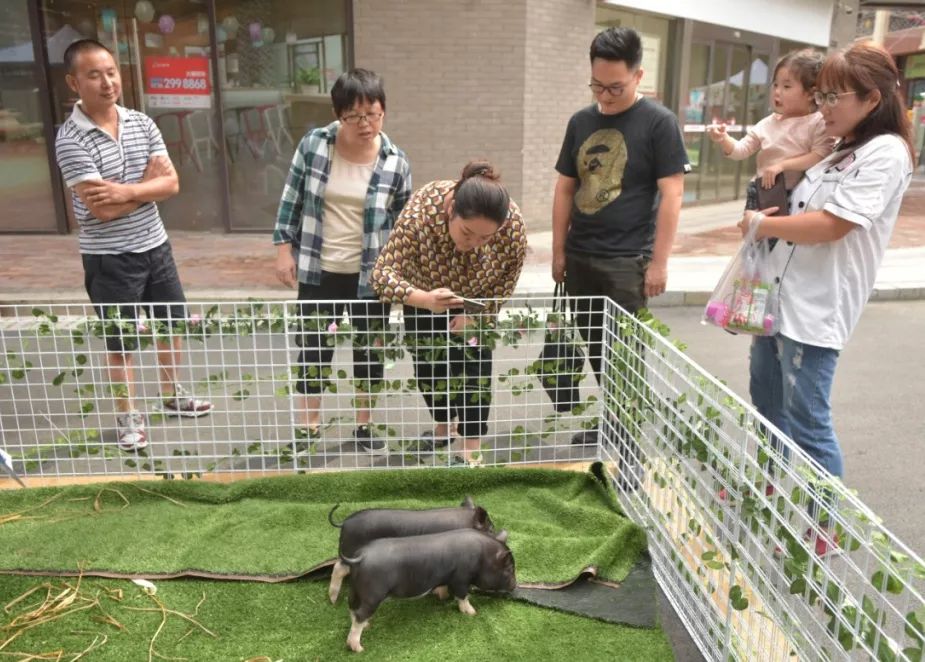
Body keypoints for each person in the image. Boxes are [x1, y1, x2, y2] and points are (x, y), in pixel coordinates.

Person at [739, 41, 914, 555]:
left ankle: (825, 526)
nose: (824, 107)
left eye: (835, 96)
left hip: (818, 310)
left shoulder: (886, 153)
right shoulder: (838, 147)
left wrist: (760, 224)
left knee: (808, 421)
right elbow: (798, 209)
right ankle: (769, 483)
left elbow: (833, 225)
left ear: (873, 99)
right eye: (821, 96)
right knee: (768, 402)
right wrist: (765, 217)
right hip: (779, 299)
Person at [54, 39, 212, 453]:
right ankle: (128, 417)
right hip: (109, 259)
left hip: (156, 247)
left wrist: (127, 191)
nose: (107, 82)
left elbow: (173, 184)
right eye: (94, 74)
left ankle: (173, 393)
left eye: (111, 72)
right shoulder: (70, 139)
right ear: (74, 82)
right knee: (121, 341)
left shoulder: (142, 123)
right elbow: (100, 211)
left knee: (170, 326)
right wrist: (148, 186)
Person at [552, 26, 688, 447]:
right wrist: (558, 250)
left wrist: (659, 262)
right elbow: (564, 188)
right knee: (595, 347)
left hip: (627, 260)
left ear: (638, 76)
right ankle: (612, 423)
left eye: (615, 87)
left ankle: (629, 445)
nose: (605, 96)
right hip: (581, 255)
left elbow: (673, 193)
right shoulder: (581, 121)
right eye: (597, 85)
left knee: (625, 356)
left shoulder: (658, 124)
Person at [273, 68, 412, 455]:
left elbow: (403, 223)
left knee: (370, 351)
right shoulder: (315, 145)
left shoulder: (396, 161)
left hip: (371, 276)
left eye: (374, 113)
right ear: (339, 114)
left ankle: (364, 427)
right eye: (354, 115)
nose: (365, 123)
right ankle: (309, 427)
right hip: (320, 270)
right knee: (314, 348)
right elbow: (291, 198)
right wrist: (283, 248)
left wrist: (401, 275)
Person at [371, 161, 527, 467]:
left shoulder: (512, 227)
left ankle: (469, 448)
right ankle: (443, 425)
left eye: (485, 238)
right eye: (468, 233)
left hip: (477, 300)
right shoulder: (420, 215)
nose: (474, 244)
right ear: (451, 208)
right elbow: (381, 275)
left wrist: (479, 315)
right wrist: (425, 300)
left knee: (474, 374)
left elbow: (507, 280)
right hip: (426, 293)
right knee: (430, 371)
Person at [707, 49, 834, 213]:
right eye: (775, 85)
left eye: (786, 86)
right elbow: (740, 150)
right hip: (761, 191)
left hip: (797, 194)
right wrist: (723, 139)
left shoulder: (817, 122)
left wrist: (782, 165)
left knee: (783, 236)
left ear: (811, 93)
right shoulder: (767, 123)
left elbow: (820, 155)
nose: (777, 92)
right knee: (754, 235)